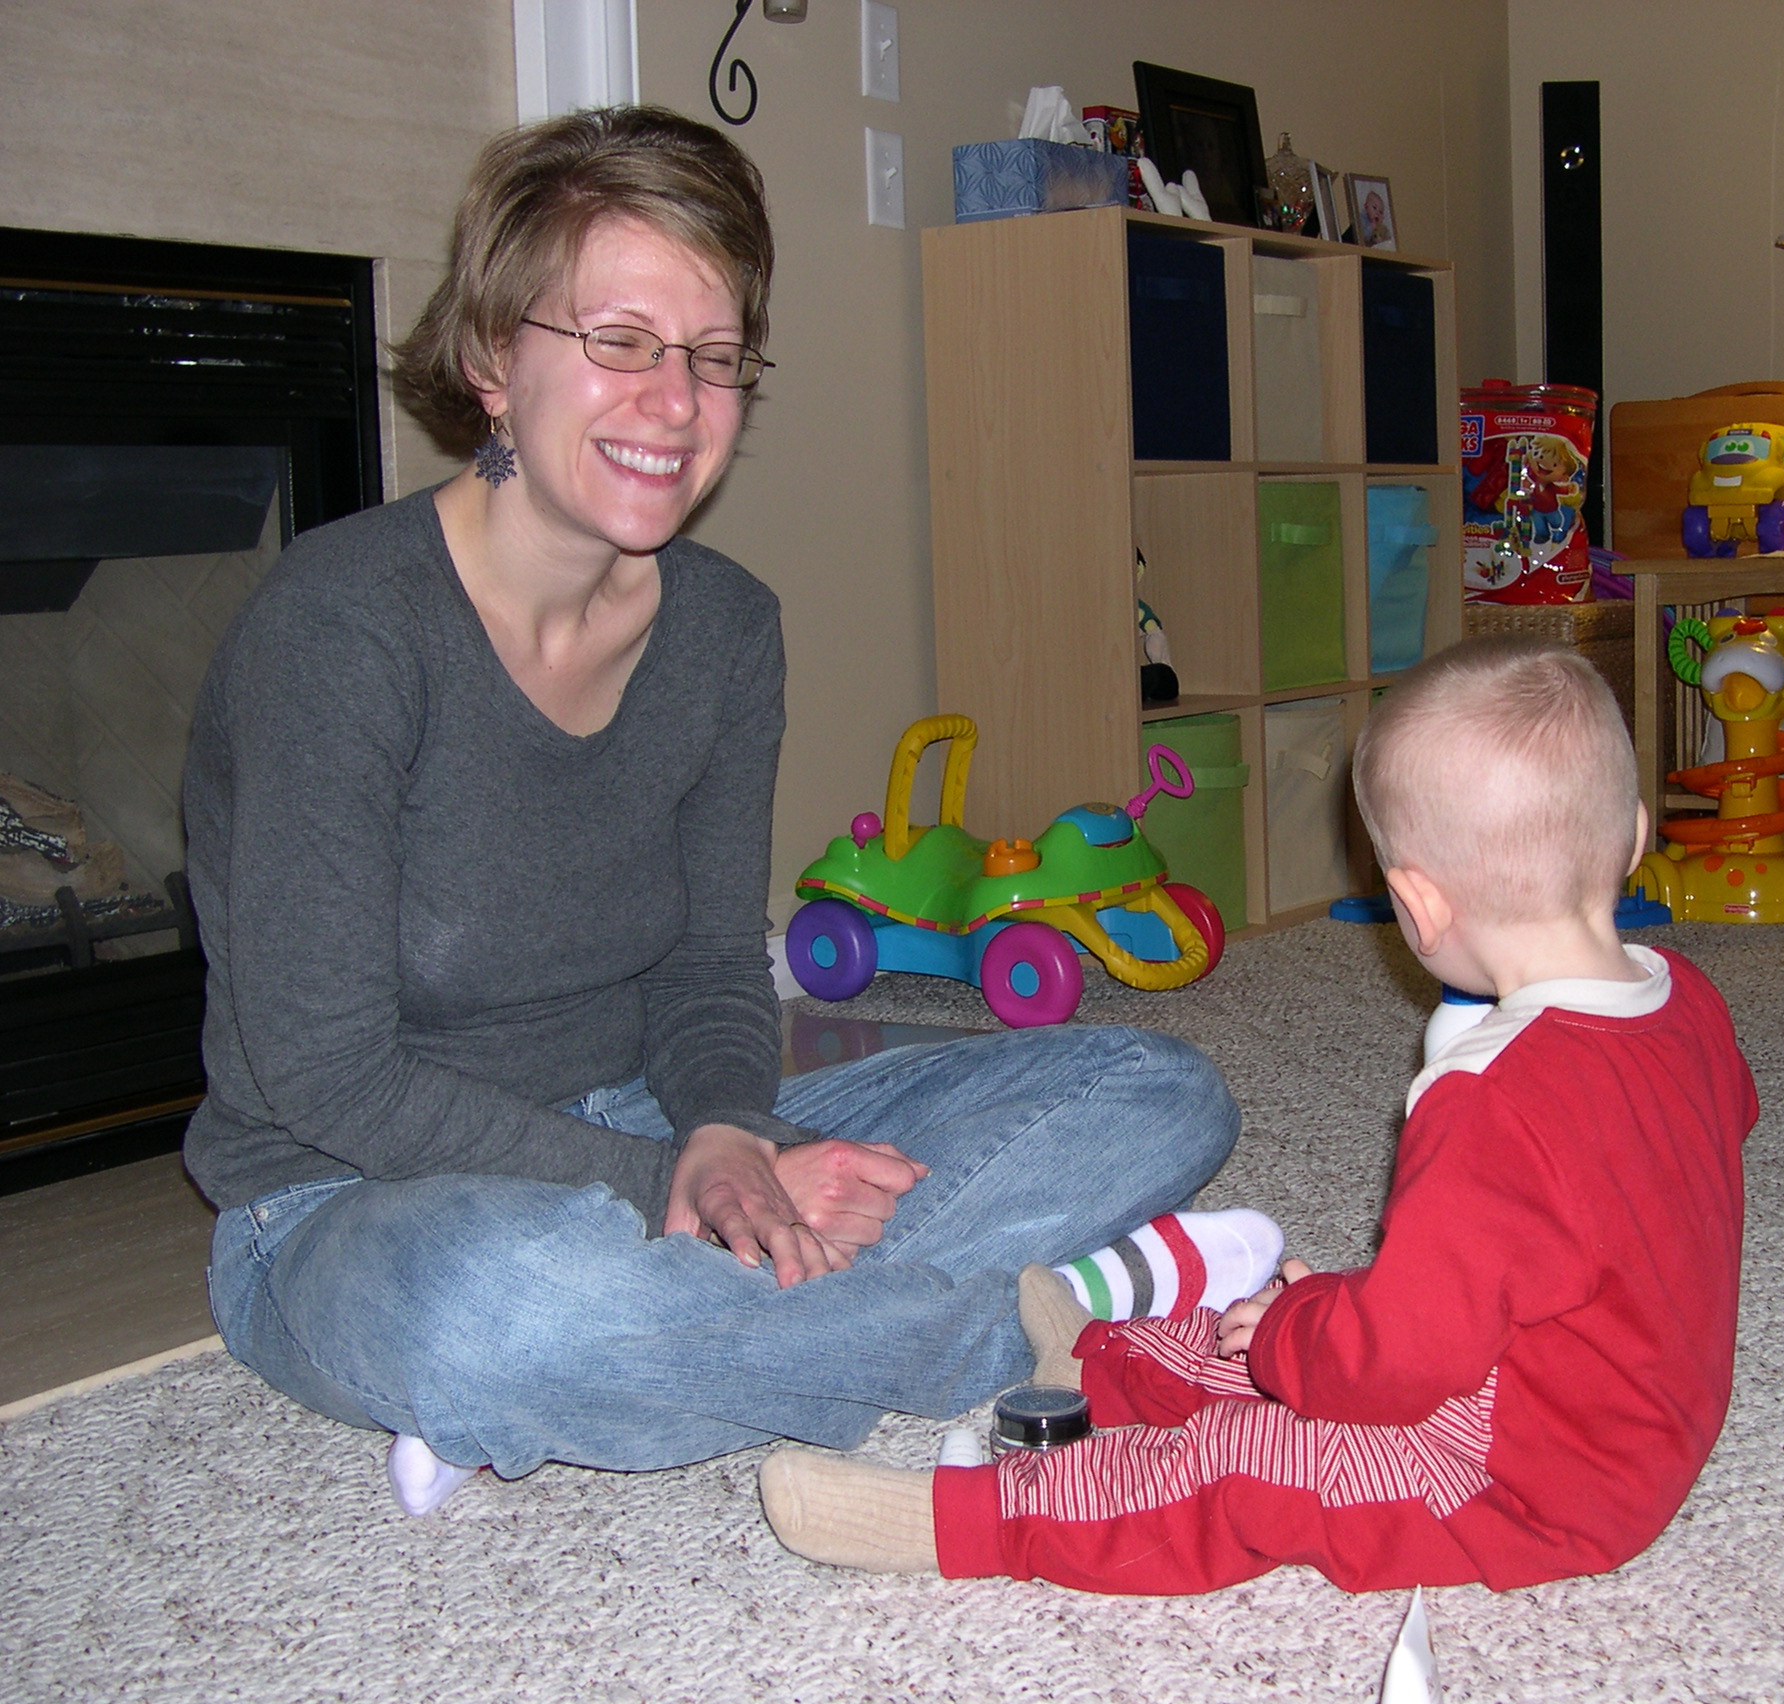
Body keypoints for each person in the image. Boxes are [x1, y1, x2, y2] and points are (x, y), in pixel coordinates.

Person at [184, 106, 1249, 1518]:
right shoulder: (338, 627)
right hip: (346, 1196)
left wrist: (733, 1131)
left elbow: (704, 968)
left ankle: (663, 1351)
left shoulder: (726, 628)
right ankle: (1094, 1319)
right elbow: (328, 1082)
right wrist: (664, 1175)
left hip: (651, 1114)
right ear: (490, 359)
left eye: (713, 356)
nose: (674, 402)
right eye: (619, 340)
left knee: (1158, 1090)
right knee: (503, 1310)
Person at [759, 639, 1759, 1593]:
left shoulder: (1490, 1099)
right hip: (1612, 1406)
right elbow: (1643, 1182)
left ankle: (959, 1521)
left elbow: (1400, 1364)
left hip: (1529, 1482)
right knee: (1283, 1321)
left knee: (1250, 1461)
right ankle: (1103, 1360)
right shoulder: (1683, 997)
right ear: (1631, 833)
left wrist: (1302, 1337)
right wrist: (1314, 1320)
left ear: (1418, 904)